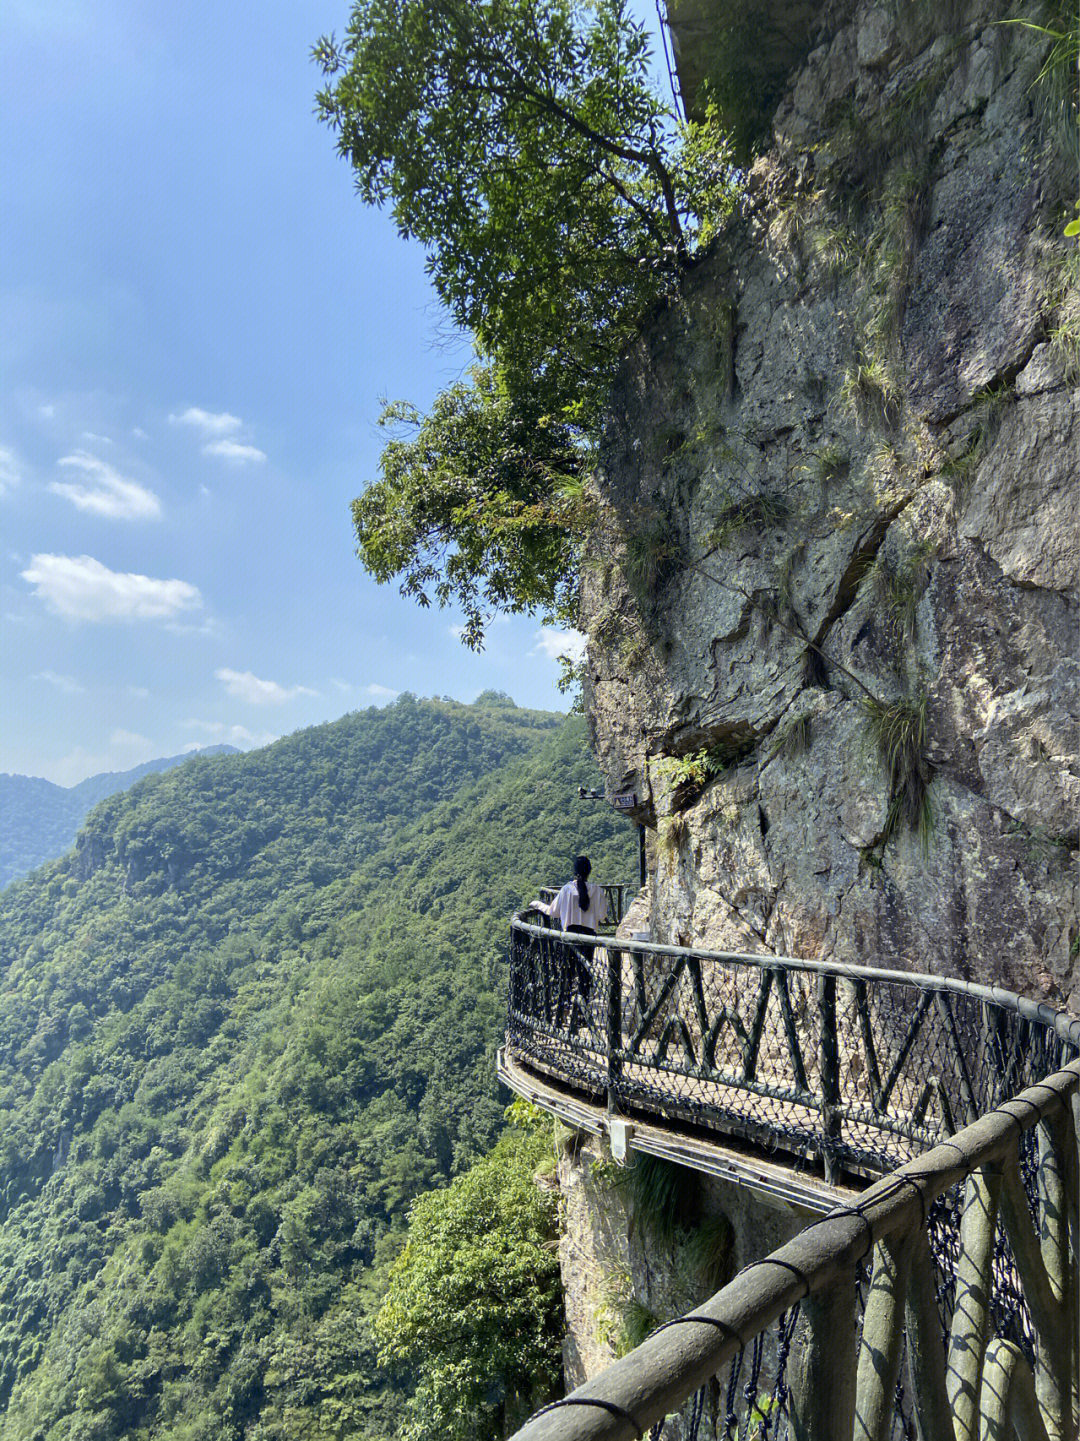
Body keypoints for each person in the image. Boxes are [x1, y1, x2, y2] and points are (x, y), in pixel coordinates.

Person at [531, 857, 609, 1031]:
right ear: (590, 871)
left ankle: (563, 1010)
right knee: (585, 974)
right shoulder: (596, 890)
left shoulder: (566, 890)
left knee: (567, 973)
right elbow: (603, 915)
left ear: (574, 871)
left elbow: (552, 912)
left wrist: (537, 904)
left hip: (569, 939)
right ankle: (582, 1013)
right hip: (589, 938)